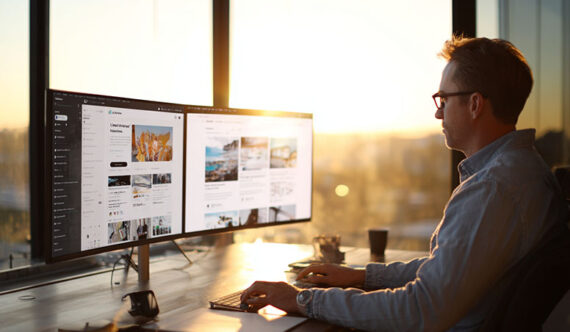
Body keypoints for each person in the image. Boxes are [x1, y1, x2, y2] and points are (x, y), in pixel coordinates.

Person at [240, 36, 569, 331]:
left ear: (474, 104)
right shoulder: (526, 170)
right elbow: (452, 269)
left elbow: (420, 309)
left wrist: (300, 300)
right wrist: (363, 276)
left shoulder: (492, 189)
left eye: (443, 99)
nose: (438, 115)